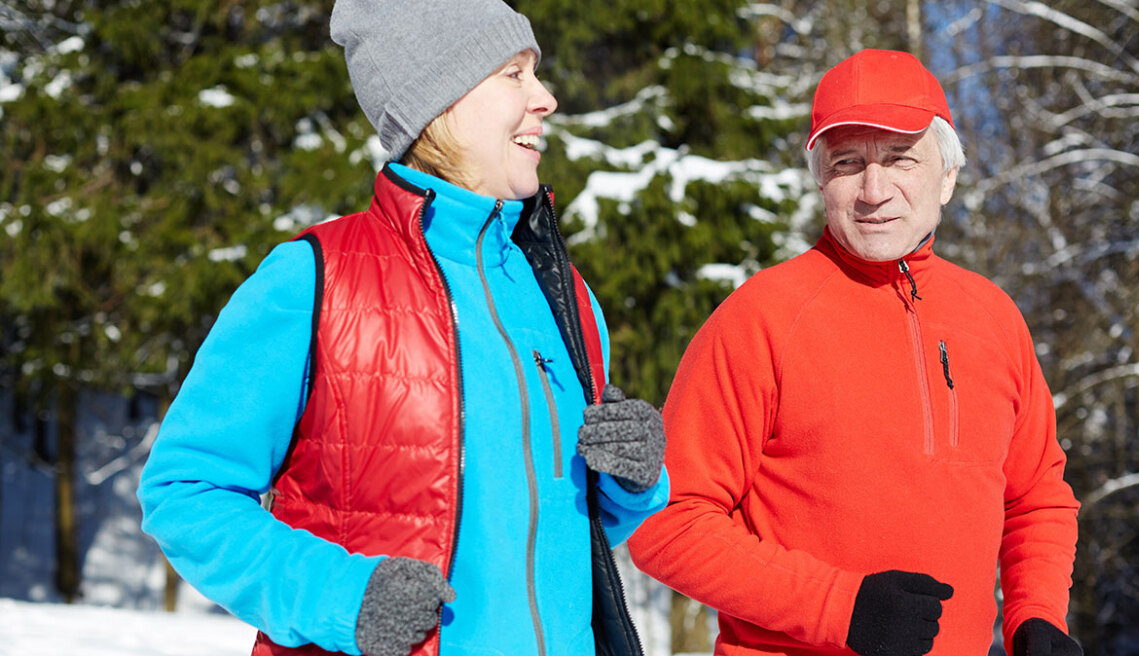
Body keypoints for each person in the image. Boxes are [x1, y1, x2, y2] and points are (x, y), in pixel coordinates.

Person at [137, 2, 669, 656]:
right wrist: (342, 597)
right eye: (514, 74)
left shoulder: (565, 294)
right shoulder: (315, 280)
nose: (546, 98)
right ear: (440, 102)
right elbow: (185, 493)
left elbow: (573, 532)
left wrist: (633, 480)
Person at [626, 49, 1081, 656]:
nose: (873, 190)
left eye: (900, 160)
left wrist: (1038, 615)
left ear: (946, 176)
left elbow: (1036, 497)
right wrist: (837, 607)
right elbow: (666, 522)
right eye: (847, 163)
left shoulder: (993, 318)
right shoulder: (760, 317)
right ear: (820, 179)